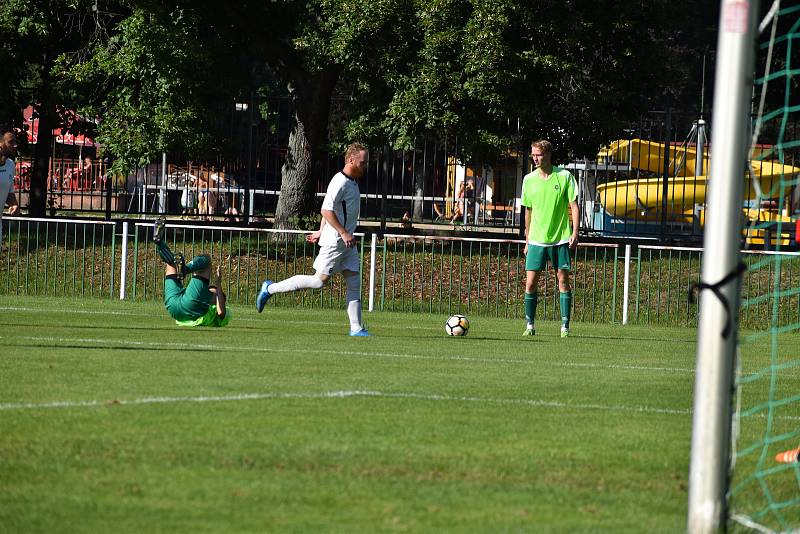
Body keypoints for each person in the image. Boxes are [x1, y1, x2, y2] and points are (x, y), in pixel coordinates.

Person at [255, 142, 370, 337]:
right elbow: (326, 209)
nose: (365, 165)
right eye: (363, 162)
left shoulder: (352, 181)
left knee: (354, 282)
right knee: (318, 282)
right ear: (351, 160)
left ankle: (356, 328)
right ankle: (270, 288)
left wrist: (320, 229)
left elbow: (330, 210)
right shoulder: (339, 182)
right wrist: (342, 232)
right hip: (337, 242)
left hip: (346, 243)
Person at [520, 139, 579, 338]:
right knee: (530, 284)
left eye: (538, 154)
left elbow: (574, 206)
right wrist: (527, 239)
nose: (535, 158)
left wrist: (575, 232)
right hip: (536, 240)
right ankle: (530, 326)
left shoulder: (564, 177)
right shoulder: (528, 179)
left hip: (560, 239)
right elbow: (528, 211)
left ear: (548, 155)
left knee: (563, 282)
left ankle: (565, 327)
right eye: (533, 154)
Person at [152, 218, 231, 327]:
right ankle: (159, 243)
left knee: (206, 260)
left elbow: (221, 312)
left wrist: (218, 285)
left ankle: (185, 269)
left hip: (189, 305)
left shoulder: (216, 302)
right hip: (174, 308)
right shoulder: (203, 295)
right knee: (171, 264)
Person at [0, 125, 20, 247]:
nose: (15, 145)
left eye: (15, 141)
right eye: (10, 142)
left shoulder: (10, 165)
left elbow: (9, 191)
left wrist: (13, 203)